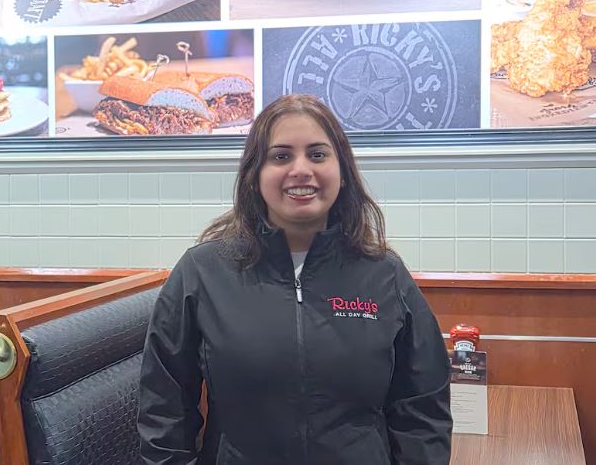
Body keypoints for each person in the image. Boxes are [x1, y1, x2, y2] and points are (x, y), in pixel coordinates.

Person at [138, 94, 452, 464]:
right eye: (281, 156)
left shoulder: (384, 274)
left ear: (343, 172)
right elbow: (164, 408)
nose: (301, 169)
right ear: (255, 175)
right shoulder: (202, 272)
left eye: (318, 155)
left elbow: (422, 408)